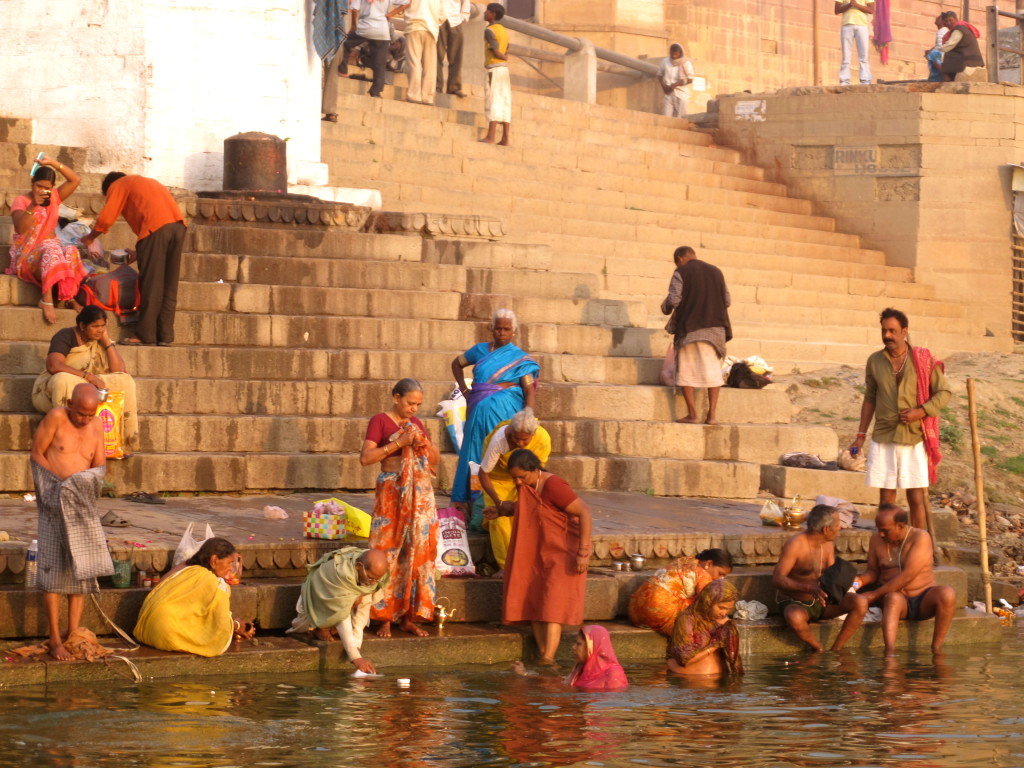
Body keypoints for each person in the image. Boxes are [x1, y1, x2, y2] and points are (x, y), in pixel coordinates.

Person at [849, 308, 950, 531]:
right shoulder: (875, 361)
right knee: (886, 499)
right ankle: (887, 548)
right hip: (883, 436)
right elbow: (870, 398)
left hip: (913, 437)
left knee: (916, 498)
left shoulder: (922, 360)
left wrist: (921, 411)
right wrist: (860, 436)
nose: (887, 335)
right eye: (884, 330)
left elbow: (944, 392)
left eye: (892, 331)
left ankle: (920, 546)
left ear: (904, 331)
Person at [28, 383, 108, 661]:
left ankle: (72, 635)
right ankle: (54, 640)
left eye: (89, 414)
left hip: (80, 506)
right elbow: (37, 454)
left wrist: (82, 485)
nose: (84, 419)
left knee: (80, 571)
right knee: (52, 572)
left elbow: (98, 466)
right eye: (80, 414)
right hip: (52, 500)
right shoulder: (56, 418)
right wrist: (59, 486)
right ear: (69, 403)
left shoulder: (96, 425)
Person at [360, 377, 440, 637]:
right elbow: (366, 458)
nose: (414, 409)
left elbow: (434, 459)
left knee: (415, 553)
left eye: (418, 404)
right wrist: (398, 444)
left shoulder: (416, 423)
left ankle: (408, 617)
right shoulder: (380, 421)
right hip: (391, 494)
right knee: (387, 552)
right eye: (409, 403)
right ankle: (383, 617)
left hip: (417, 497)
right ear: (396, 397)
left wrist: (422, 442)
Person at [503, 449, 593, 665]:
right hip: (540, 551)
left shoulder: (554, 485)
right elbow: (531, 509)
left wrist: (583, 552)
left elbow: (584, 512)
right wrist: (503, 510)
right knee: (535, 599)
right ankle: (545, 659)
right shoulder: (529, 487)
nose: (517, 482)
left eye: (521, 477)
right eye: (514, 478)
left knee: (553, 606)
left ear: (535, 470)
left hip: (564, 552)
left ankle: (547, 657)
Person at [80, 172, 186, 347]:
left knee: (151, 284)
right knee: (168, 285)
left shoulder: (118, 185)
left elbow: (106, 218)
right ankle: (165, 335)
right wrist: (141, 250)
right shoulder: (147, 181)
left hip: (157, 230)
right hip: (178, 227)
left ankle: (145, 335)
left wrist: (90, 238)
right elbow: (154, 218)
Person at [837, 504, 956, 654]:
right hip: (896, 601)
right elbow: (873, 572)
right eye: (878, 529)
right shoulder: (876, 539)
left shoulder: (921, 537)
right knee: (893, 598)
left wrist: (874, 595)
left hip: (923, 599)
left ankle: (937, 649)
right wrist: (858, 582)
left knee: (947, 593)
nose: (880, 534)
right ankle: (890, 653)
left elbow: (908, 575)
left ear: (900, 526)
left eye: (885, 530)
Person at [450, 308, 538, 510]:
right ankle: (466, 502)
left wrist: (528, 415)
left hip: (504, 413)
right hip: (476, 414)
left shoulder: (519, 359)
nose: (502, 333)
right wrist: (464, 390)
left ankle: (499, 500)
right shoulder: (479, 350)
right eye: (498, 328)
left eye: (506, 329)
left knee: (496, 456)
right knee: (473, 453)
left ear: (513, 331)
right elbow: (456, 364)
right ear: (491, 328)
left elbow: (529, 390)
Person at [31, 305, 139, 457]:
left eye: (102, 326)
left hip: (87, 390)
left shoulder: (100, 339)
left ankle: (125, 443)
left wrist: (106, 340)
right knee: (63, 379)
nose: (100, 330)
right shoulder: (66, 335)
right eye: (95, 326)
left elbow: (119, 370)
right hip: (51, 391)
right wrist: (88, 376)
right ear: (82, 326)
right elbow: (53, 365)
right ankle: (66, 442)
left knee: (125, 380)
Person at [133, 537, 256, 656]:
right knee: (209, 638)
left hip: (146, 631)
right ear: (214, 560)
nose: (230, 568)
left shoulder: (184, 567)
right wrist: (237, 626)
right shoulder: (212, 581)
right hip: (166, 632)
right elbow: (220, 621)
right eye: (229, 563)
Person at [773, 505, 867, 652]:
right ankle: (817, 647)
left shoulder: (828, 543)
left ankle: (837, 649)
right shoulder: (795, 545)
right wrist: (808, 588)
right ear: (826, 529)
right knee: (794, 616)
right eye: (837, 525)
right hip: (797, 602)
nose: (839, 528)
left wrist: (845, 580)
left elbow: (831, 573)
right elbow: (778, 579)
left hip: (823, 602)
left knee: (860, 602)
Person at [7, 155, 85, 324]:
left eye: (47, 188)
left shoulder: (54, 198)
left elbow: (75, 179)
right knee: (51, 247)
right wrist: (33, 205)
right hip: (27, 257)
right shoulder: (21, 201)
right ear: (32, 183)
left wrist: (53, 163)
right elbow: (20, 228)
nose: (42, 191)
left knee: (71, 250)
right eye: (39, 186)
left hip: (50, 252)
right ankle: (46, 299)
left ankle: (68, 296)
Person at [287, 547, 391, 673]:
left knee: (360, 598)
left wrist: (356, 645)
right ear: (359, 566)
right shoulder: (341, 574)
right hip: (319, 599)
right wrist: (356, 657)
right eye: (371, 578)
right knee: (352, 601)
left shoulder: (373, 576)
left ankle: (331, 627)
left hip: (343, 604)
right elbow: (342, 614)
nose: (373, 582)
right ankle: (321, 627)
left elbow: (364, 608)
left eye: (377, 580)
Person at [479, 408, 552, 571]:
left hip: (526, 479)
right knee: (499, 521)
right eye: (515, 438)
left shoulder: (543, 440)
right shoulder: (499, 440)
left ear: (533, 435)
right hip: (497, 479)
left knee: (527, 514)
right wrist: (498, 503)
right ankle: (507, 567)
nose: (519, 444)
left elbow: (537, 472)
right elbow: (483, 472)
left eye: (525, 440)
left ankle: (528, 562)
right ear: (510, 430)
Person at [666, 246, 731, 425]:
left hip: (690, 328)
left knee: (685, 369)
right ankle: (711, 416)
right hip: (716, 330)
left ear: (680, 259)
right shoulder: (717, 271)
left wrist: (665, 306)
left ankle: (693, 415)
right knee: (713, 372)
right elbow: (727, 300)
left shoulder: (681, 271)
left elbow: (674, 299)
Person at [628, 549, 733, 637]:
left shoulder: (685, 560)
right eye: (720, 574)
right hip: (657, 614)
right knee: (704, 613)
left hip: (635, 612)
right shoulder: (703, 574)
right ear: (708, 564)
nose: (721, 579)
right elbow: (708, 603)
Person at [331, 0, 408, 106]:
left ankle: (343, 71)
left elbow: (354, 9)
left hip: (365, 28)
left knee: (345, 44)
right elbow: (407, 2)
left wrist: (354, 24)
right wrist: (390, 14)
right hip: (382, 31)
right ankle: (376, 91)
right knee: (380, 63)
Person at [667, 578, 743, 677]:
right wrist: (715, 644)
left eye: (728, 609)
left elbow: (733, 656)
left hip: (714, 680)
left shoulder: (722, 619)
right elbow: (684, 659)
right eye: (721, 608)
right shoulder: (687, 619)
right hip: (690, 679)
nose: (724, 613)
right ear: (708, 602)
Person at [403, 0, 445, 104]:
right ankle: (428, 97)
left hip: (414, 27)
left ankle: (414, 95)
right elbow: (443, 15)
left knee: (414, 62)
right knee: (430, 66)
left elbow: (402, 3)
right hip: (431, 30)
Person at [480, 3, 511, 146]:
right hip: (504, 70)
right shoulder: (503, 30)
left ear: (493, 14)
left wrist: (503, 57)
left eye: (487, 11)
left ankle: (490, 136)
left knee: (493, 100)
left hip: (494, 68)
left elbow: (495, 50)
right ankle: (505, 138)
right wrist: (505, 57)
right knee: (505, 102)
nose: (485, 13)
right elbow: (507, 48)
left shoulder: (489, 30)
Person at [834, 0, 874, 85]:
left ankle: (865, 80)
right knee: (846, 56)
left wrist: (855, 5)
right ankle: (844, 80)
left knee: (864, 56)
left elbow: (871, 10)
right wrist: (849, 5)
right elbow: (837, 10)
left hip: (862, 25)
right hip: (847, 25)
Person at [436, 0, 471, 97]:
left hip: (455, 20)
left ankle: (454, 87)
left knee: (456, 57)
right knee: (437, 55)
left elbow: (465, 2)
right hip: (438, 20)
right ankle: (436, 86)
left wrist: (463, 16)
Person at [937, 11, 984, 82]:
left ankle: (947, 81)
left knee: (943, 57)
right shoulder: (960, 28)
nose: (948, 23)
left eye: (950, 20)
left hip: (968, 60)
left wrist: (937, 51)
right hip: (968, 57)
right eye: (946, 21)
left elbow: (950, 45)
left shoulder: (958, 29)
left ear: (956, 20)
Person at [657, 43, 694, 118]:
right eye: (672, 54)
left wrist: (676, 84)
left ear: (680, 53)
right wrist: (663, 86)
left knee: (679, 118)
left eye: (675, 54)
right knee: (666, 117)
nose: (673, 56)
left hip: (681, 94)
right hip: (668, 94)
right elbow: (659, 74)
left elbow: (690, 79)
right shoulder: (665, 61)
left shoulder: (686, 63)